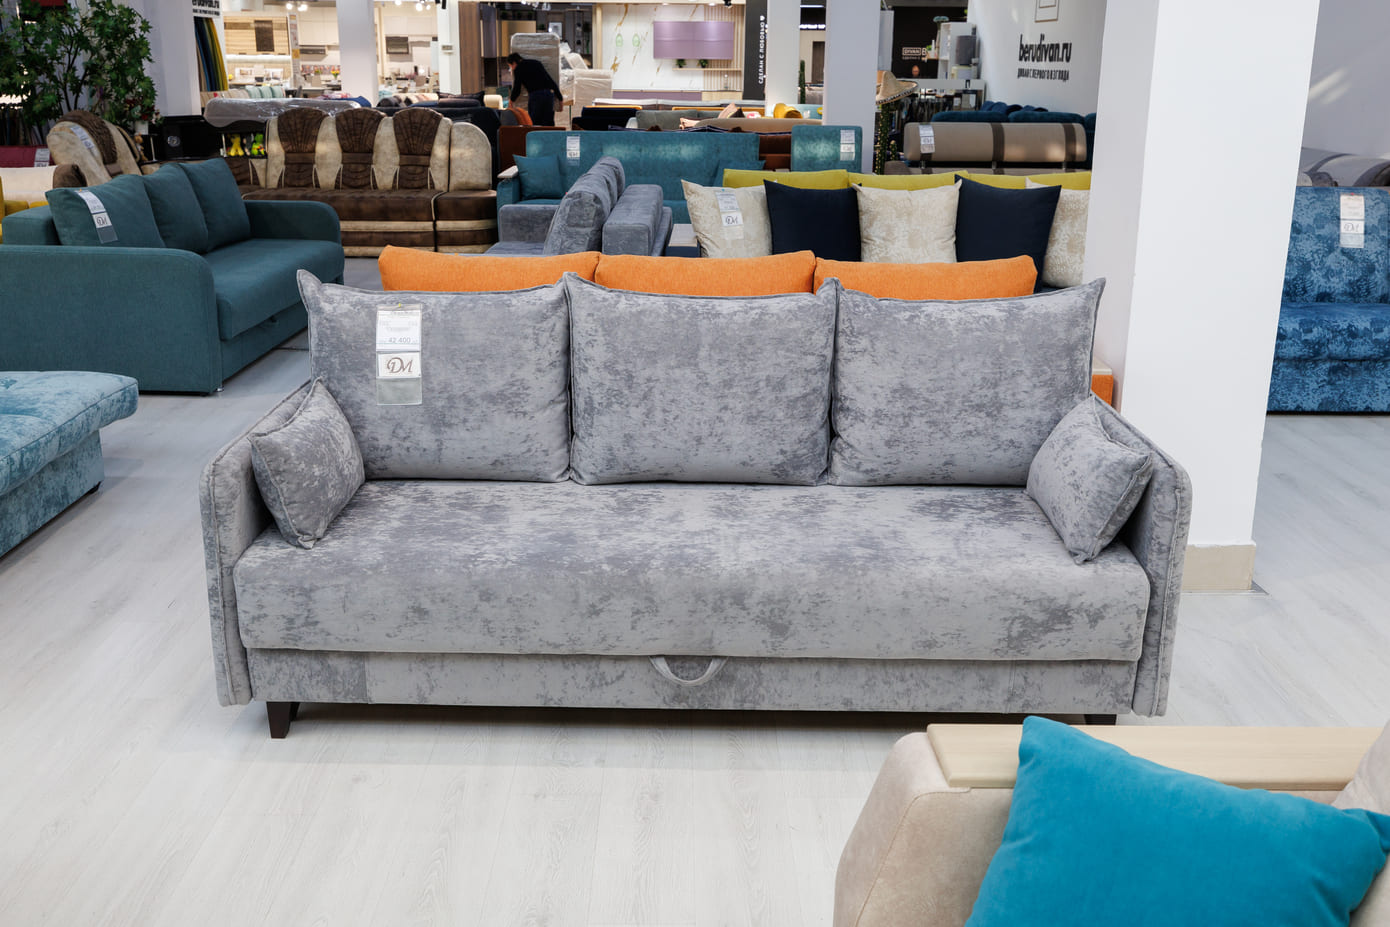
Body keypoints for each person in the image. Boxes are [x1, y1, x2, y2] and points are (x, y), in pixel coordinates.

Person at [507, 52, 562, 127]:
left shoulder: (518, 69)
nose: (511, 69)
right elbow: (550, 81)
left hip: (536, 96)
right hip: (549, 94)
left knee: (534, 123)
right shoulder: (536, 63)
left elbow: (517, 88)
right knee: (548, 122)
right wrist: (560, 98)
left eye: (510, 66)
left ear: (514, 63)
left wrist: (511, 101)